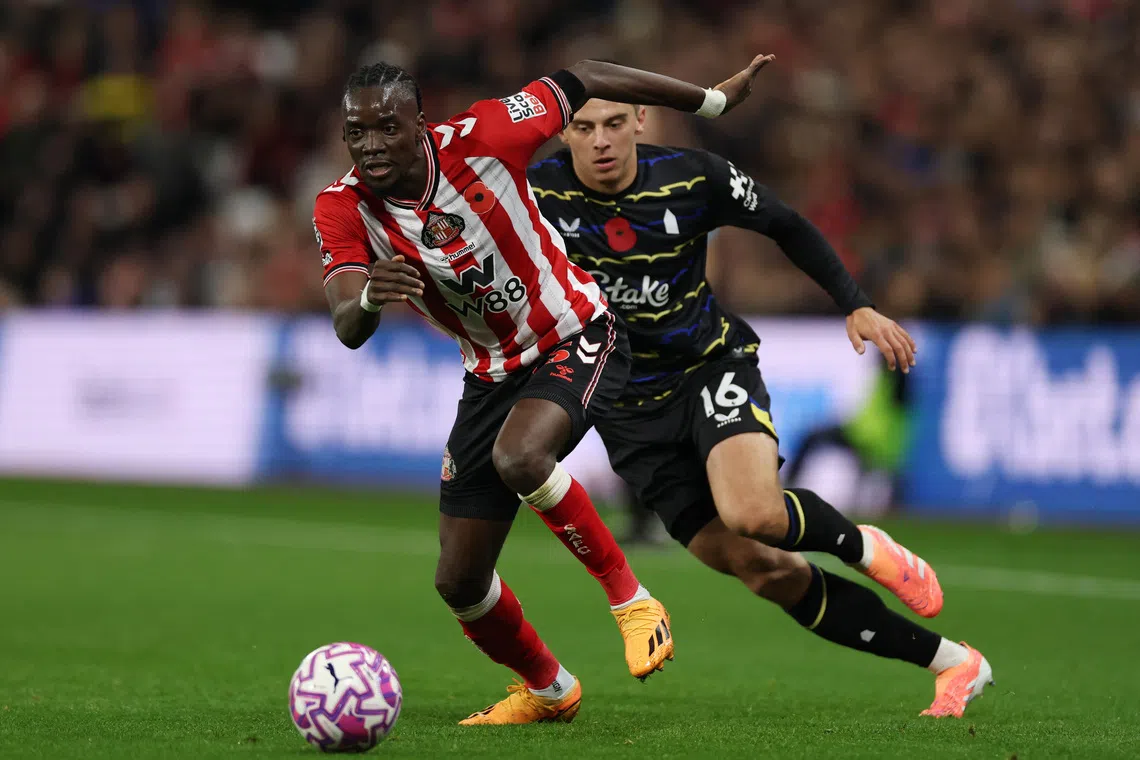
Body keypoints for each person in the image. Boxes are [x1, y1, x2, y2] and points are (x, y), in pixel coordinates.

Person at [313, 56, 774, 725]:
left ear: (421, 123)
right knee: (459, 581)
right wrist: (368, 300)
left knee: (521, 457)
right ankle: (550, 689)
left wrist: (707, 101)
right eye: (358, 133)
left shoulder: (488, 135)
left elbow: (583, 75)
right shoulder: (342, 204)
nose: (373, 144)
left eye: (388, 127)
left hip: (576, 331)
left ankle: (632, 599)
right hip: (490, 371)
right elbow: (346, 323)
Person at [527, 97, 994, 719]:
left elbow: (786, 223)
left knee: (754, 514)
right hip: (625, 409)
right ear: (563, 133)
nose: (602, 142)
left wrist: (853, 302)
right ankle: (953, 664)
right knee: (763, 569)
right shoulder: (535, 195)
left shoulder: (695, 176)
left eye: (615, 124)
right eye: (584, 129)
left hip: (707, 367)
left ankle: (863, 545)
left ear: (641, 121)